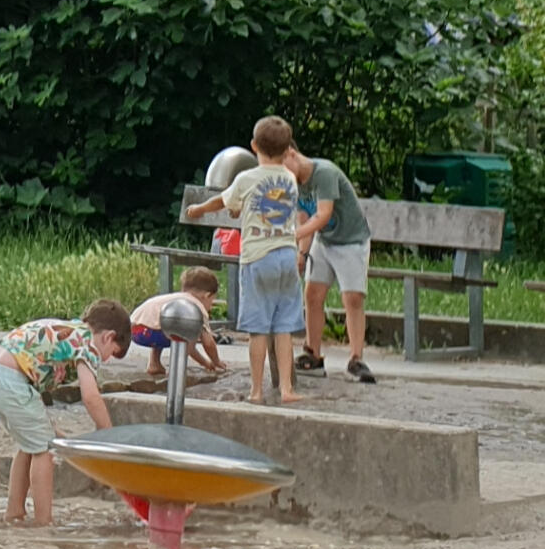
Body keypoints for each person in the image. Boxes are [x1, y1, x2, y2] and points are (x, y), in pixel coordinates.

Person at [182, 117, 312, 404]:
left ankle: (256, 391)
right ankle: (287, 389)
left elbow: (223, 201)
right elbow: (268, 206)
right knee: (283, 328)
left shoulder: (246, 178)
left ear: (254, 146)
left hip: (258, 258)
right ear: (286, 150)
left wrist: (200, 208)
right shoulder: (289, 179)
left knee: (258, 329)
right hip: (286, 257)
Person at [0, 302, 131, 527]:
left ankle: (14, 513)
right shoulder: (88, 345)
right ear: (108, 337)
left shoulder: (70, 330)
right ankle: (44, 523)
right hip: (9, 378)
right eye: (112, 353)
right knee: (44, 449)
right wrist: (109, 433)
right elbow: (90, 396)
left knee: (30, 445)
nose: (106, 360)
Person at [281, 124, 380, 384]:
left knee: (352, 297)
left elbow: (323, 215)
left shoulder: (323, 173)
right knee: (312, 294)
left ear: (291, 153)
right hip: (323, 241)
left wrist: (292, 236)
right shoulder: (293, 183)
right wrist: (302, 253)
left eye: (282, 165)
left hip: (350, 240)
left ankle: (356, 358)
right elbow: (304, 215)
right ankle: (312, 353)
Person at [130, 267, 228, 382]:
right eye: (211, 302)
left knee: (167, 322)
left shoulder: (175, 298)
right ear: (206, 295)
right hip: (151, 333)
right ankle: (177, 370)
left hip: (134, 330)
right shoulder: (195, 307)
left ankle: (154, 363)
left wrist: (205, 363)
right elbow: (208, 343)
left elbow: (191, 350)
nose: (210, 307)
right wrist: (216, 361)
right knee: (185, 331)